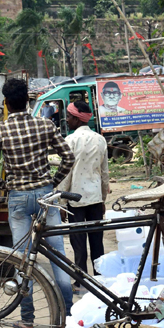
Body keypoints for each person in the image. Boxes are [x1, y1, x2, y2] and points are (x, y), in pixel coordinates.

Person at [0, 78, 76, 328]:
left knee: (22, 260)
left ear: (7, 104)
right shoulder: (45, 125)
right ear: (28, 101)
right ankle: (67, 318)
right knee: (59, 256)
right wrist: (53, 181)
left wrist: (4, 185)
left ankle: (27, 318)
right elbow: (68, 157)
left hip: (19, 198)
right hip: (46, 195)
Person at [58, 101, 109, 287]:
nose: (67, 119)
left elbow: (66, 174)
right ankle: (100, 279)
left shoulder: (70, 141)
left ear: (77, 119)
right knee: (97, 242)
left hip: (75, 199)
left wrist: (62, 203)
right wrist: (104, 199)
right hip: (95, 198)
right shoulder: (100, 139)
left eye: (69, 116)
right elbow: (104, 173)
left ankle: (80, 281)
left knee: (78, 243)